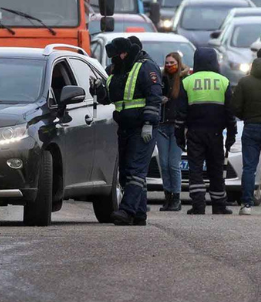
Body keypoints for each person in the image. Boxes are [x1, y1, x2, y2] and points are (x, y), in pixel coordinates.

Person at [95, 37, 162, 226]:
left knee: (135, 169)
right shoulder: (118, 69)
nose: (113, 60)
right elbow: (109, 97)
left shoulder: (146, 67)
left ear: (125, 53)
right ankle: (139, 214)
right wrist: (99, 90)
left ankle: (126, 211)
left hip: (142, 127)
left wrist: (149, 122)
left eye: (116, 56)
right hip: (124, 126)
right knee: (126, 172)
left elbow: (154, 96)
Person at [176, 47, 237, 215]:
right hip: (216, 133)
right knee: (216, 169)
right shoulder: (223, 81)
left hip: (195, 132)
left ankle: (198, 205)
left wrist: (179, 136)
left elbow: (180, 114)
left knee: (195, 169)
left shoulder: (187, 81)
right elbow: (230, 114)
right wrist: (231, 137)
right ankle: (219, 205)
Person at [231, 46, 261, 215]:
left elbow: (235, 106)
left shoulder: (245, 81)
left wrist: (246, 116)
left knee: (249, 167)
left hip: (251, 126)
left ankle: (246, 205)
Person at [157, 52, 189, 212]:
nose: (169, 65)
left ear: (178, 63)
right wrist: (159, 99)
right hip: (162, 125)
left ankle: (176, 197)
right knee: (163, 163)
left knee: (173, 164)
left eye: (172, 62)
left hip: (177, 127)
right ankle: (167, 197)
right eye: (167, 62)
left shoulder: (184, 80)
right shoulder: (160, 78)